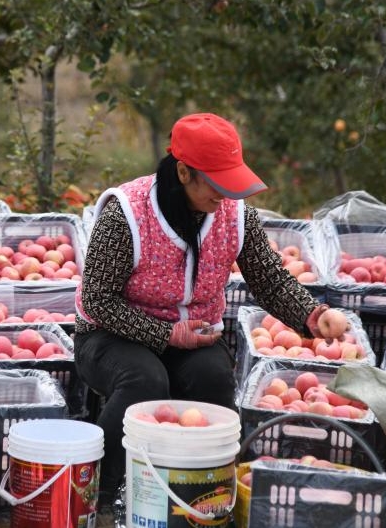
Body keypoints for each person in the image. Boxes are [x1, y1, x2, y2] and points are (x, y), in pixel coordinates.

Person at [73, 112, 348, 505]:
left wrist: (312, 315)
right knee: (145, 381)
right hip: (112, 335)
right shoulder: (127, 214)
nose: (225, 195)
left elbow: (269, 277)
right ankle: (100, 495)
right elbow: (98, 300)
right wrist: (164, 334)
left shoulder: (235, 215)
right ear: (184, 173)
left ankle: (202, 495)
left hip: (194, 335)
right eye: (216, 183)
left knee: (214, 379)